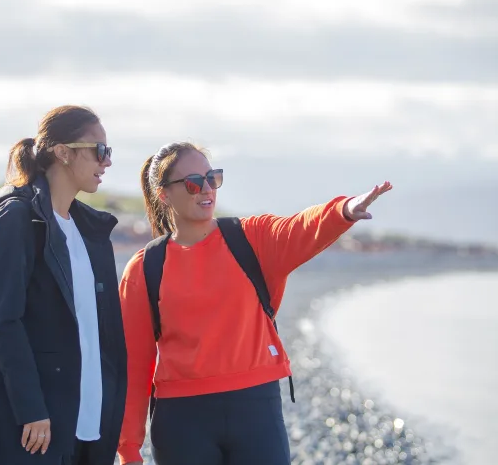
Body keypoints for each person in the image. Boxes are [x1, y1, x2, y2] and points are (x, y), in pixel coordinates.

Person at [116, 142, 392, 465]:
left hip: (256, 410)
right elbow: (134, 365)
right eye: (193, 183)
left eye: (212, 178)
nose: (207, 189)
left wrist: (343, 211)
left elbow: (299, 228)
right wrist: (129, 448)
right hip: (181, 421)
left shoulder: (249, 238)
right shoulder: (146, 267)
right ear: (164, 195)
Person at [0, 105, 127, 465]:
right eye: (99, 150)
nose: (107, 161)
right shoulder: (16, 218)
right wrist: (31, 409)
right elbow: (4, 320)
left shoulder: (88, 229)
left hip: (86, 419)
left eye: (108, 152)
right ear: (63, 152)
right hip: (38, 421)